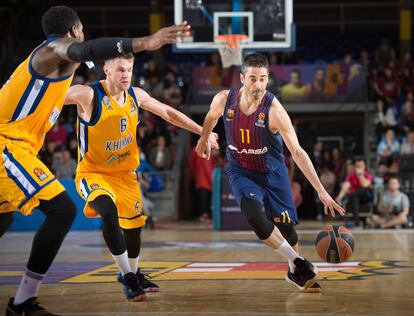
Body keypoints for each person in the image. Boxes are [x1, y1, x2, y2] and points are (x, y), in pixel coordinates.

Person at [0, 5, 191, 315]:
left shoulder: (59, 66)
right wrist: (145, 42)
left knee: (4, 218)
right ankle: (22, 303)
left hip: (21, 145)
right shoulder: (53, 49)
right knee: (62, 210)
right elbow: (88, 49)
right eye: (82, 30)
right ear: (75, 29)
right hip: (6, 144)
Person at [64, 53, 218, 302]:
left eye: (129, 69)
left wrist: (204, 132)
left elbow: (169, 113)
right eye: (120, 70)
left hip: (126, 175)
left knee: (134, 229)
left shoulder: (136, 95)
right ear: (106, 70)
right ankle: (127, 277)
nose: (126, 74)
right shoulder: (88, 95)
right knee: (108, 210)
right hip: (94, 174)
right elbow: (52, 97)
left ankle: (134, 273)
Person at [195, 53, 345, 292]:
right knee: (255, 216)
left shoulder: (274, 110)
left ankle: (294, 270)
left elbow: (298, 152)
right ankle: (299, 263)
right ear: (243, 78)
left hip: (272, 173)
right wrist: (204, 137)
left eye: (263, 79)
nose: (258, 84)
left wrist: (322, 192)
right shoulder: (224, 100)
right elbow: (210, 118)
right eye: (253, 79)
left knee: (287, 228)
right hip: (241, 170)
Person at [335, 159, 374, 227]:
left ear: (364, 166)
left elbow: (364, 185)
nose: (359, 167)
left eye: (361, 166)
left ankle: (351, 196)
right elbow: (346, 186)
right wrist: (340, 196)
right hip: (355, 197)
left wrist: (360, 175)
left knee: (357, 193)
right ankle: (356, 222)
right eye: (357, 166)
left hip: (366, 196)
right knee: (354, 197)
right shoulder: (351, 175)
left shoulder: (368, 174)